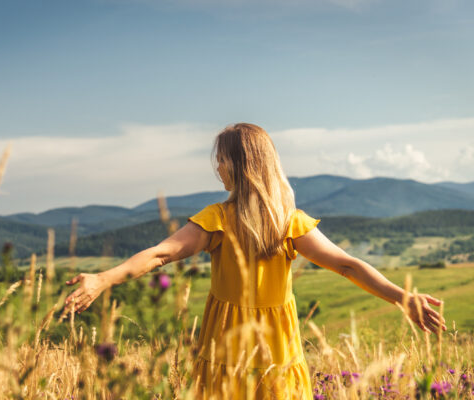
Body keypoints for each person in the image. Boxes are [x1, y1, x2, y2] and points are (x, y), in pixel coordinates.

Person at [64, 123, 446, 399]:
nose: (217, 168)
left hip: (227, 344)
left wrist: (102, 279)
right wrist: (403, 298)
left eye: (222, 160)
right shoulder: (288, 223)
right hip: (276, 347)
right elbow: (347, 265)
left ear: (242, 165)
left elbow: (162, 254)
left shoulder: (221, 219)